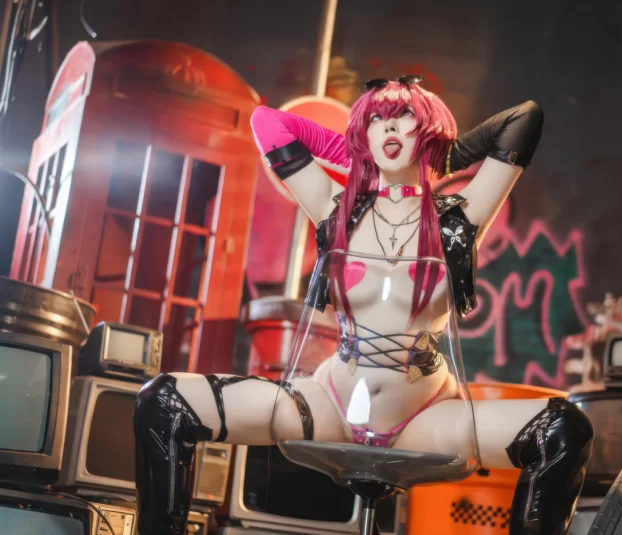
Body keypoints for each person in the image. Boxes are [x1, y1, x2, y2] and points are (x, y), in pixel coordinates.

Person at [134, 76, 593, 535]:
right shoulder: (333, 208)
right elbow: (267, 123)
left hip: (426, 416)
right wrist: (357, 150)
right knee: (164, 400)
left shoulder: (461, 216)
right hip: (328, 407)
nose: (389, 128)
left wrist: (440, 152)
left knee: (563, 430)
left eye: (405, 117)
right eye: (376, 119)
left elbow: (524, 119)